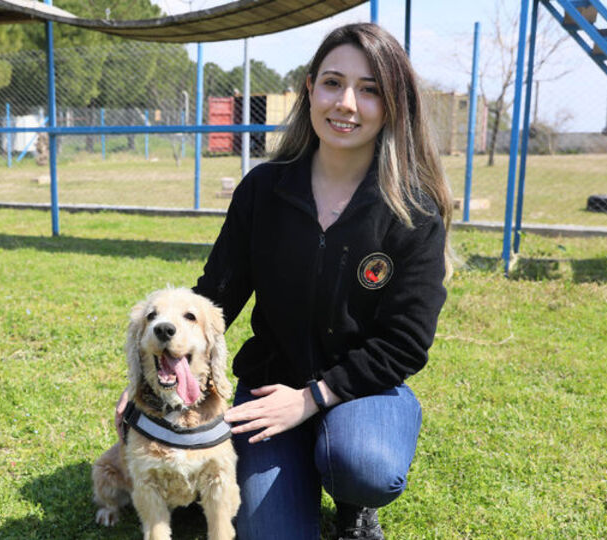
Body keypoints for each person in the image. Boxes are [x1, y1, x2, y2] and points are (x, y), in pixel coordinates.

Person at [117, 22, 452, 540]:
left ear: (392, 105)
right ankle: (301, 469)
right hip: (269, 387)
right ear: (310, 90)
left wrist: (312, 398)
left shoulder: (413, 211)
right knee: (267, 531)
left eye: (369, 90)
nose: (346, 103)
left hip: (362, 392)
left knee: (364, 465)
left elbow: (405, 343)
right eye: (332, 83)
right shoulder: (263, 189)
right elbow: (216, 294)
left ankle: (354, 504)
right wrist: (157, 371)